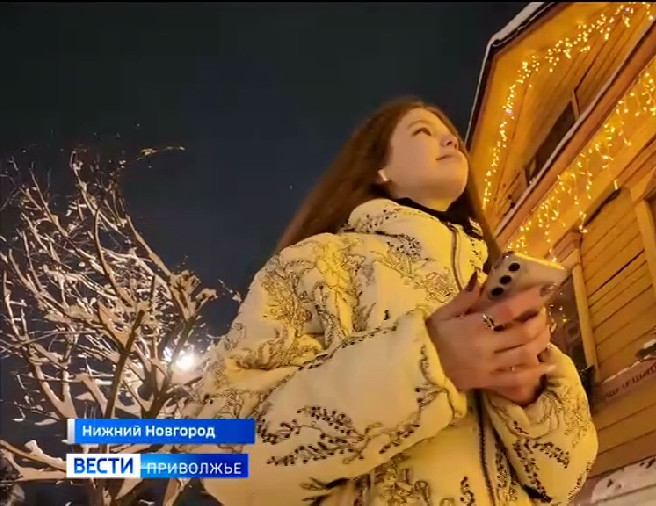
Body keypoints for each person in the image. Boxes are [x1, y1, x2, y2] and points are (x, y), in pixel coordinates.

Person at [181, 98, 598, 505]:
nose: (451, 140)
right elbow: (223, 457)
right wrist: (428, 365)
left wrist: (526, 396)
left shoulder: (492, 285)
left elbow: (565, 484)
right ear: (379, 170)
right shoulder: (314, 266)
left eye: (453, 135)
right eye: (423, 131)